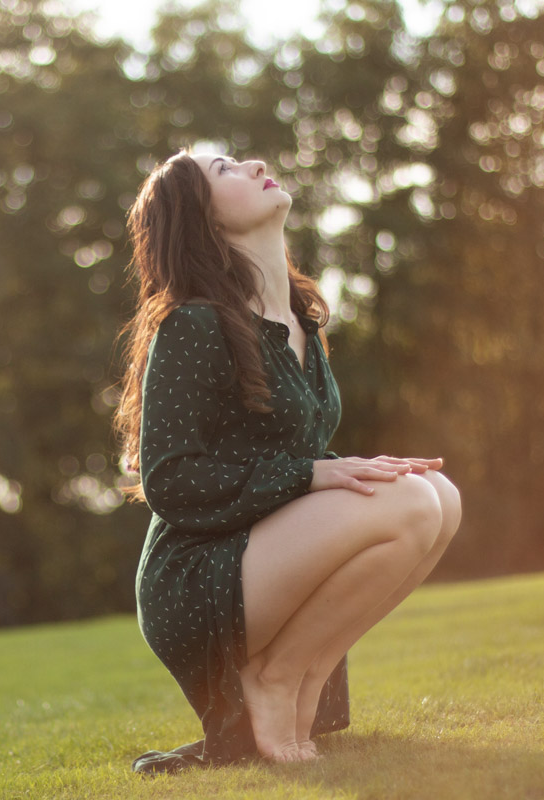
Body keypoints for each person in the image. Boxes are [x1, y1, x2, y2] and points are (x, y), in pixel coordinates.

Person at [110, 149, 463, 771]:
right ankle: (270, 683)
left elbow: (287, 454)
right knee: (410, 502)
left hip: (267, 550)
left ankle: (296, 683)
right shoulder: (193, 324)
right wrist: (312, 474)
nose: (252, 163)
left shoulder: (300, 318)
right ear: (204, 220)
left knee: (441, 497)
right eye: (224, 170)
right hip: (199, 573)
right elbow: (169, 480)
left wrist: (341, 468)